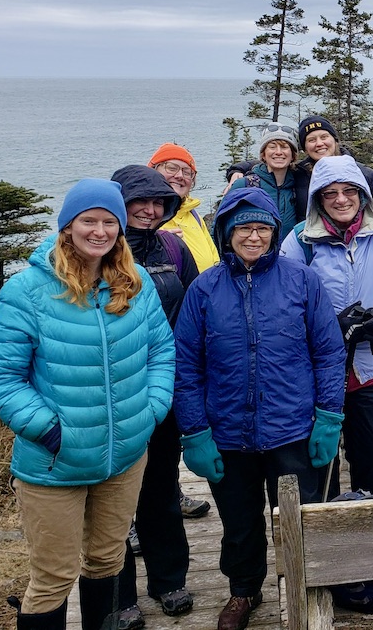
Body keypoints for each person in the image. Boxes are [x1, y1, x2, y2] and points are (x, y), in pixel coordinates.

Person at [0, 178, 175, 630]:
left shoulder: (136, 281)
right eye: (89, 221)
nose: (99, 231)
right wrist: (49, 429)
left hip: (124, 455)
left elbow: (162, 351)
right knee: (52, 578)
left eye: (109, 222)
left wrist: (152, 410)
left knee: (107, 560)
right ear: (68, 226)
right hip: (54, 463)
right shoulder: (27, 290)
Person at [173, 187, 346, 630]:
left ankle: (305, 588)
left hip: (293, 427)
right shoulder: (203, 289)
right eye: (244, 228)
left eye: (263, 227)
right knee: (239, 522)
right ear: (227, 232)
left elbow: (328, 352)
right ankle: (243, 590)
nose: (254, 236)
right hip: (228, 431)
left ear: (274, 231)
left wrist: (329, 416)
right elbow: (185, 364)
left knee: (300, 519)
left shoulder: (302, 280)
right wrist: (194, 431)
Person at [280, 155, 373, 498]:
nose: (341, 199)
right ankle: (327, 530)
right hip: (317, 372)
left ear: (362, 193)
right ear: (318, 199)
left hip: (372, 363)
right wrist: (328, 327)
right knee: (321, 461)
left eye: (349, 191)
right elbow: (282, 304)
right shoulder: (299, 241)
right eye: (331, 193)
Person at [113, 165, 201, 628]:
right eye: (138, 203)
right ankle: (116, 596)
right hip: (112, 393)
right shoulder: (101, 250)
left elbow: (189, 313)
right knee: (111, 498)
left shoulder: (173, 247)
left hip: (164, 386)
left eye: (158, 203)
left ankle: (168, 580)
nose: (149, 211)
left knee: (161, 486)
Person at [147, 142, 215, 518]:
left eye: (185, 171)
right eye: (168, 168)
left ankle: (169, 492)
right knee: (142, 431)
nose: (177, 176)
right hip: (151, 338)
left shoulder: (193, 218)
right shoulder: (147, 218)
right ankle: (131, 516)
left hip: (190, 330)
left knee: (169, 423)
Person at [225, 114, 373, 221]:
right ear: (304, 148)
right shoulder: (299, 174)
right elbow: (273, 164)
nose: (319, 144)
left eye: (324, 136)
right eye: (311, 140)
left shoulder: (364, 175)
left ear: (335, 140)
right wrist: (238, 169)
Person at [149, 142, 220, 273]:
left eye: (187, 172)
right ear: (153, 170)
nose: (180, 176)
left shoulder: (194, 216)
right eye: (171, 168)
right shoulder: (141, 215)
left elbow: (215, 261)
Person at [226, 122, 303, 238]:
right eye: (272, 147)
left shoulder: (299, 184)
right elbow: (220, 224)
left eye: (284, 147)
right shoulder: (246, 184)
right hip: (254, 252)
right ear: (263, 154)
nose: (278, 152)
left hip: (291, 254)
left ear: (292, 155)